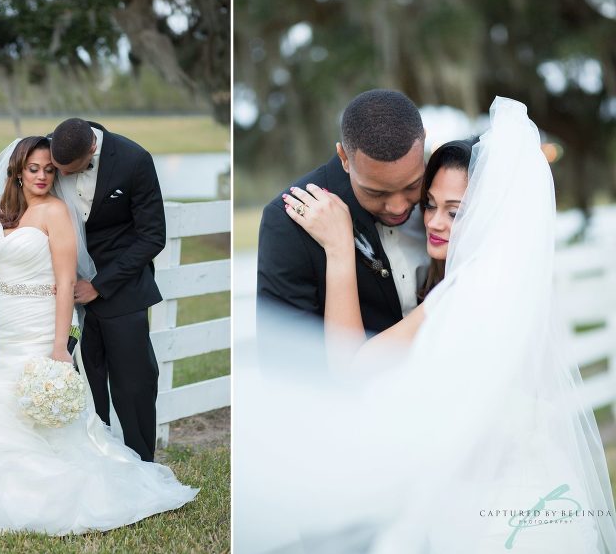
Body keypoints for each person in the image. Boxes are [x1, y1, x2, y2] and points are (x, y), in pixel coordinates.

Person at [235, 98, 616, 552]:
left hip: (480, 488)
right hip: (361, 476)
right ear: (344, 158)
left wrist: (340, 252)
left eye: (418, 192)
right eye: (429, 204)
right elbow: (290, 371)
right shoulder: (292, 221)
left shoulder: (470, 287)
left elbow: (356, 365)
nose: (407, 208)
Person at [0, 136, 197, 535]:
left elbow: (65, 284)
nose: (42, 176)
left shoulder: (56, 212)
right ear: (18, 172)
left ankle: (55, 488)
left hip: (43, 326)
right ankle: (2, 489)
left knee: (32, 405)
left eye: (48, 169)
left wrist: (60, 346)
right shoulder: (6, 214)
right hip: (9, 327)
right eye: (34, 169)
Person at [257, 89, 431, 342]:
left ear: (423, 141)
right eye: (376, 192)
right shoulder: (288, 223)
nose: (398, 207)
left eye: (412, 185)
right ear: (344, 158)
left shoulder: (447, 193)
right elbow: (285, 352)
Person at [49, 118, 164, 463]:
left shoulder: (134, 160)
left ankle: (142, 464)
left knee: (134, 386)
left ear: (92, 149)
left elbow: (152, 236)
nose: (60, 176)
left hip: (122, 291)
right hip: (65, 296)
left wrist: (99, 285)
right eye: (58, 169)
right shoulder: (50, 151)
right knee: (84, 384)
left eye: (69, 170)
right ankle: (97, 462)